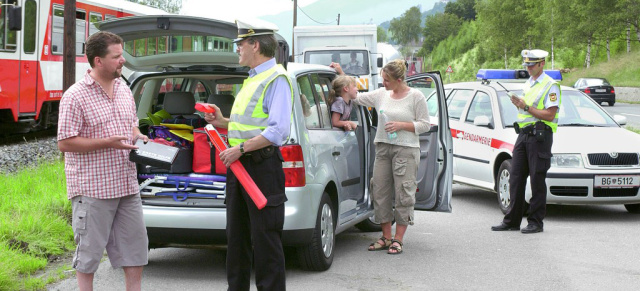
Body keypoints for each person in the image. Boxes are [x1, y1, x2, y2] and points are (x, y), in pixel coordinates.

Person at [203, 18, 292, 291]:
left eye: (240, 44)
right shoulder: (252, 79)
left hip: (260, 167)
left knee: (266, 241)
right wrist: (222, 122)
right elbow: (249, 125)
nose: (237, 50)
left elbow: (277, 131)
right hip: (240, 168)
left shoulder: (277, 78)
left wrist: (239, 149)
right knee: (237, 240)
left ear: (255, 44)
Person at [57, 31, 149, 291]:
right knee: (88, 256)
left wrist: (138, 135)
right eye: (117, 56)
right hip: (93, 189)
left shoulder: (123, 88)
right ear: (98, 61)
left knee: (136, 251)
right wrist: (107, 143)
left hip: (127, 186)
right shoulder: (75, 96)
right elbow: (65, 142)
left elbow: (130, 123)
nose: (122, 61)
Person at [330, 59, 430, 255]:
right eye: (383, 79)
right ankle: (386, 236)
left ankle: (398, 239)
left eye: (387, 80)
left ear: (399, 80)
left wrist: (402, 125)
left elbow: (425, 125)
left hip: (406, 149)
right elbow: (355, 97)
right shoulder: (381, 94)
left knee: (403, 193)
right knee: (380, 191)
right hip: (383, 147)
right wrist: (342, 74)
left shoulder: (416, 97)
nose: (383, 83)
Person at [491, 49, 561, 234]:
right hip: (523, 135)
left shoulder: (550, 85)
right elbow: (526, 110)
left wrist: (526, 106)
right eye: (527, 65)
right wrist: (520, 104)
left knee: (537, 179)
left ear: (542, 64)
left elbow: (550, 114)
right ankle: (512, 221)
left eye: (532, 64)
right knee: (515, 176)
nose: (528, 68)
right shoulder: (529, 83)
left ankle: (536, 222)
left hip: (540, 136)